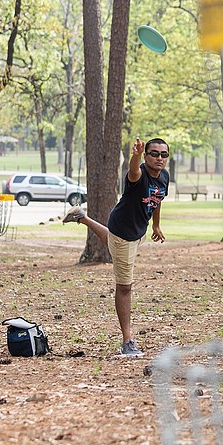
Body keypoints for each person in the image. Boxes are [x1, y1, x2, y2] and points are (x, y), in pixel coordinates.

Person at [62, 137, 170, 357]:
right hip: (124, 232)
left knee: (114, 246)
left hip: (136, 230)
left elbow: (157, 199)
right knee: (125, 287)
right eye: (154, 153)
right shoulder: (138, 176)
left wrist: (156, 224)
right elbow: (133, 171)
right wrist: (136, 155)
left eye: (163, 154)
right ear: (146, 156)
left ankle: (82, 217)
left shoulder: (164, 177)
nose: (159, 158)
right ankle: (128, 341)